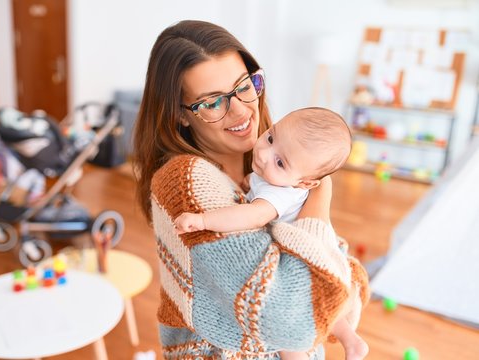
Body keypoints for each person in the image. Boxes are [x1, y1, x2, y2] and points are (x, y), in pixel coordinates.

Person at [133, 20, 370, 359]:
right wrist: (321, 198)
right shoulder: (184, 180)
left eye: (244, 86)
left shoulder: (267, 163)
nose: (242, 110)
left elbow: (346, 278)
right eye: (212, 102)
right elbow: (298, 319)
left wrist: (337, 289)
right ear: (180, 115)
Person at [174, 107, 369, 360]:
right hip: (322, 260)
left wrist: (202, 220)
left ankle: (345, 343)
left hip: (308, 256)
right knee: (320, 309)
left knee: (291, 334)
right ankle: (351, 341)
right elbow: (261, 182)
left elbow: (253, 216)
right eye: (270, 137)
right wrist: (251, 181)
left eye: (280, 162)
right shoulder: (279, 177)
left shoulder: (281, 191)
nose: (265, 154)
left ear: (305, 183)